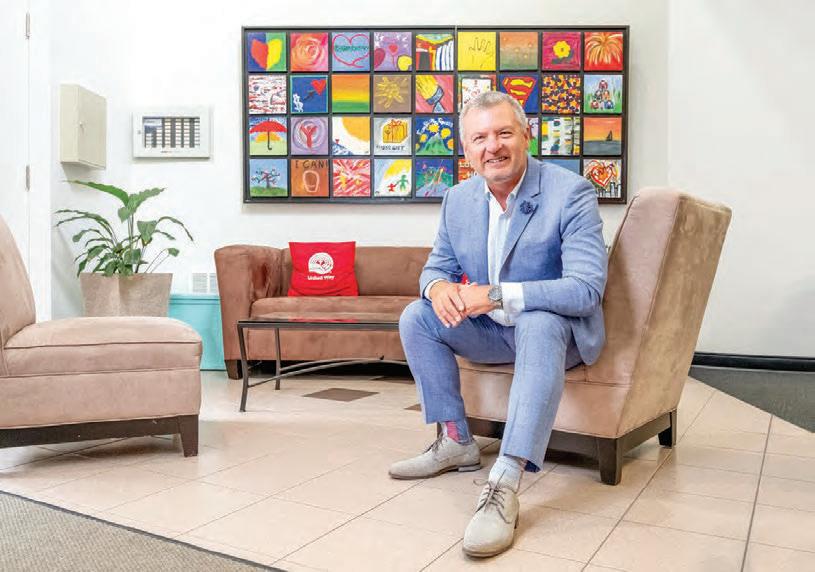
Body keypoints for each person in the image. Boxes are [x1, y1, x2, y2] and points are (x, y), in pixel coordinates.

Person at [390, 91, 608, 558]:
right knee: (417, 316)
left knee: (539, 322)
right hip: (493, 332)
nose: (493, 146)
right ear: (467, 150)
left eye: (504, 133)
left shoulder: (570, 192)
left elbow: (586, 289)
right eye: (480, 138)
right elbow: (435, 268)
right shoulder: (457, 199)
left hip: (556, 335)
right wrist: (438, 289)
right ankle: (456, 441)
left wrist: (493, 294)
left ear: (526, 135)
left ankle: (505, 480)